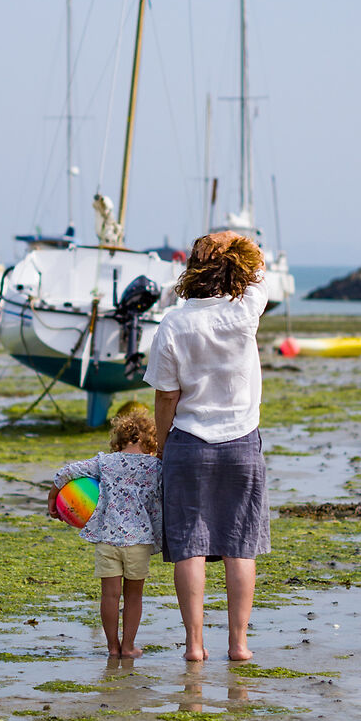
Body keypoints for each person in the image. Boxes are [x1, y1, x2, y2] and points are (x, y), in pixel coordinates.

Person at [146, 230, 268, 666]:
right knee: (240, 544)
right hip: (241, 440)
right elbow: (259, 268)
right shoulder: (246, 311)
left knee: (189, 545)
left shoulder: (174, 322)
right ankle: (238, 644)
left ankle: (194, 645)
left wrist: (163, 447)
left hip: (189, 441)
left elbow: (165, 396)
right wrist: (237, 238)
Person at [49, 402, 162, 661]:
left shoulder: (105, 463)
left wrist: (52, 497)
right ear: (151, 443)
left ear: (119, 441)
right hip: (139, 542)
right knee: (134, 597)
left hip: (107, 540)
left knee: (109, 596)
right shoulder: (156, 467)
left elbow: (65, 472)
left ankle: (112, 647)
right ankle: (129, 646)